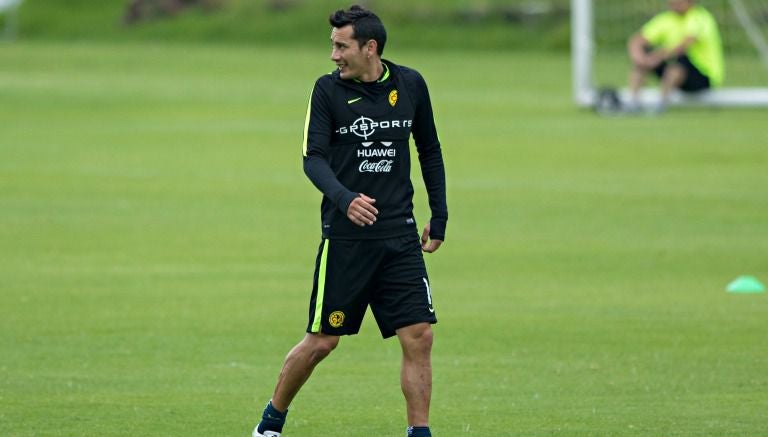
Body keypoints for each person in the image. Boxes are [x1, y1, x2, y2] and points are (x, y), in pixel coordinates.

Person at [252, 5, 447, 437]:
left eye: (342, 46)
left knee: (419, 336)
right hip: (347, 240)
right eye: (333, 46)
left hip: (400, 238)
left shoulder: (410, 84)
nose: (334, 56)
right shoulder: (326, 92)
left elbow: (429, 150)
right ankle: (271, 422)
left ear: (369, 48)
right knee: (323, 341)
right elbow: (313, 158)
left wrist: (440, 213)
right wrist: (344, 199)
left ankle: (420, 433)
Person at [627, 0, 724, 112]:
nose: (674, 4)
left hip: (703, 74)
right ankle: (633, 103)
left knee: (677, 64)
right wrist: (639, 57)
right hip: (676, 67)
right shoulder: (666, 19)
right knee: (643, 60)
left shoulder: (700, 17)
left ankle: (660, 105)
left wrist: (656, 57)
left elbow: (684, 45)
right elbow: (636, 41)